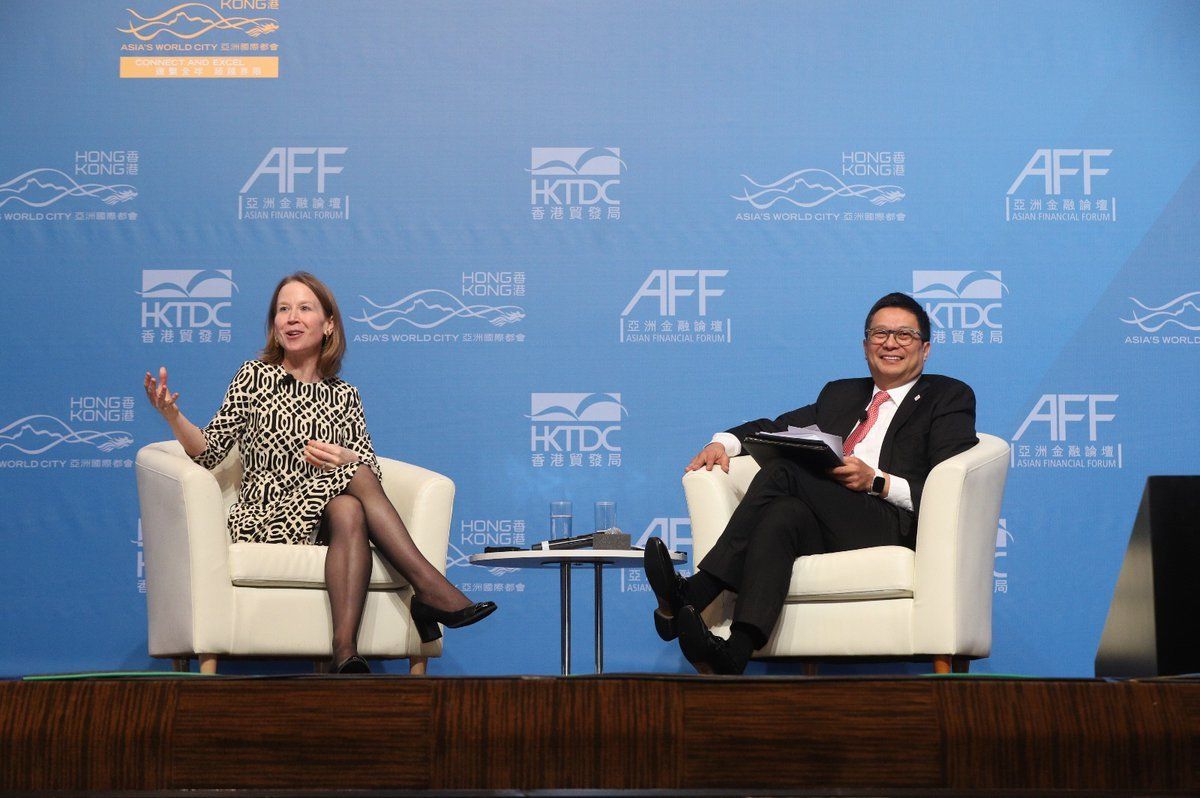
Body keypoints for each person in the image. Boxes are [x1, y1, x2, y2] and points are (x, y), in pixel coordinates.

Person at [143, 272, 495, 674]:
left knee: (349, 504)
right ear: (275, 325)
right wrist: (173, 416)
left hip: (327, 519)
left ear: (328, 324)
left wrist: (346, 456)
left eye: (304, 308)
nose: (291, 318)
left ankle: (344, 651)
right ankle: (429, 586)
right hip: (268, 515)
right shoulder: (254, 377)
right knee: (354, 480)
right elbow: (210, 452)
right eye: (283, 310)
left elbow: (370, 474)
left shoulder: (345, 395)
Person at [644, 292, 977, 674]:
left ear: (926, 348)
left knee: (784, 473)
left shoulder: (948, 396)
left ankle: (697, 590)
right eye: (879, 333)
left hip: (892, 522)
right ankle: (736, 652)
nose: (890, 343)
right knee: (782, 515)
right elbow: (775, 427)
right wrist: (723, 442)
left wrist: (878, 481)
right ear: (865, 345)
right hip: (831, 520)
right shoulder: (841, 394)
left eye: (904, 335)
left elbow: (952, 487)